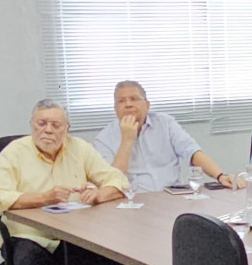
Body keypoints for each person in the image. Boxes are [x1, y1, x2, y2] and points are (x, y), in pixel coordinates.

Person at [0, 101, 127, 265]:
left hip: (73, 234)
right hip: (29, 235)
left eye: (56, 125)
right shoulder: (14, 153)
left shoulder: (80, 148)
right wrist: (41, 198)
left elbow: (118, 180)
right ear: (32, 125)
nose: (48, 130)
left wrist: (100, 194)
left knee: (102, 256)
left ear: (66, 129)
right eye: (41, 123)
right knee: (31, 261)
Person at [90, 80, 241, 193]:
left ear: (147, 105)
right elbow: (112, 181)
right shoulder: (103, 139)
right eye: (121, 101)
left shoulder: (165, 123)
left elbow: (192, 152)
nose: (128, 104)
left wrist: (220, 176)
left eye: (134, 99)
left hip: (172, 196)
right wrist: (127, 141)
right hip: (132, 201)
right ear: (115, 109)